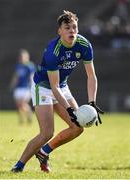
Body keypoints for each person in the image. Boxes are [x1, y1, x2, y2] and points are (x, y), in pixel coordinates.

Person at [11, 10, 104, 173]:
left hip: (62, 86)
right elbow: (52, 86)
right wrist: (69, 108)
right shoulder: (53, 50)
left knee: (78, 127)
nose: (72, 31)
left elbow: (92, 76)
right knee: (47, 133)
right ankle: (18, 166)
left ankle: (43, 152)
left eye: (74, 27)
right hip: (44, 87)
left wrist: (92, 103)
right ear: (59, 31)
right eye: (67, 28)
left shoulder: (84, 45)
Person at [10, 49, 36, 124]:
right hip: (18, 88)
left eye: (23, 57)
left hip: (26, 88)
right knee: (18, 106)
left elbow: (32, 77)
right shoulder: (18, 66)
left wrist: (32, 86)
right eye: (20, 57)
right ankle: (21, 120)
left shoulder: (30, 66)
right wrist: (12, 85)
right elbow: (16, 76)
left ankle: (29, 115)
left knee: (22, 104)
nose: (21, 58)